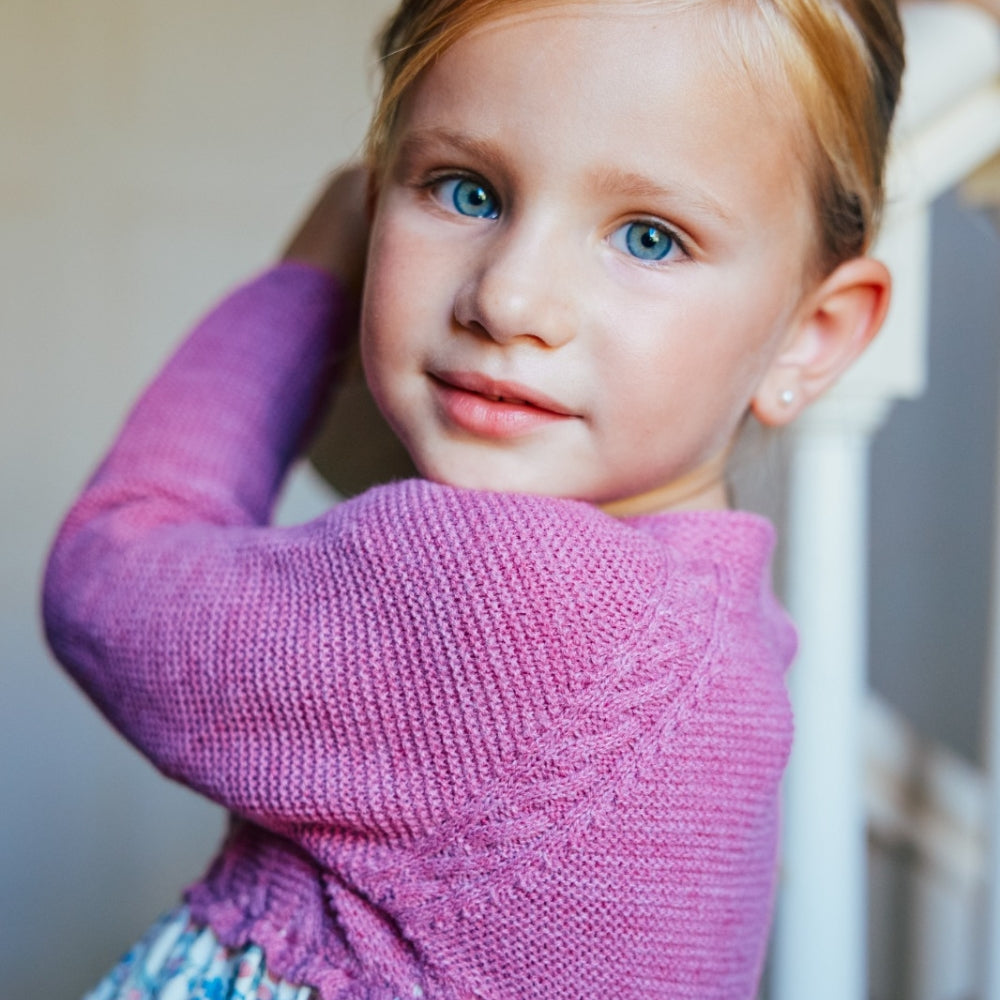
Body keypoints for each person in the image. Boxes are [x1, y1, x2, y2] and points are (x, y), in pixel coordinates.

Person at [42, 0, 905, 997]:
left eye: (650, 238)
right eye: (466, 190)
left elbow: (109, 569)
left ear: (812, 335)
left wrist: (310, 275)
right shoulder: (707, 629)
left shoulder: (526, 606)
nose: (508, 300)